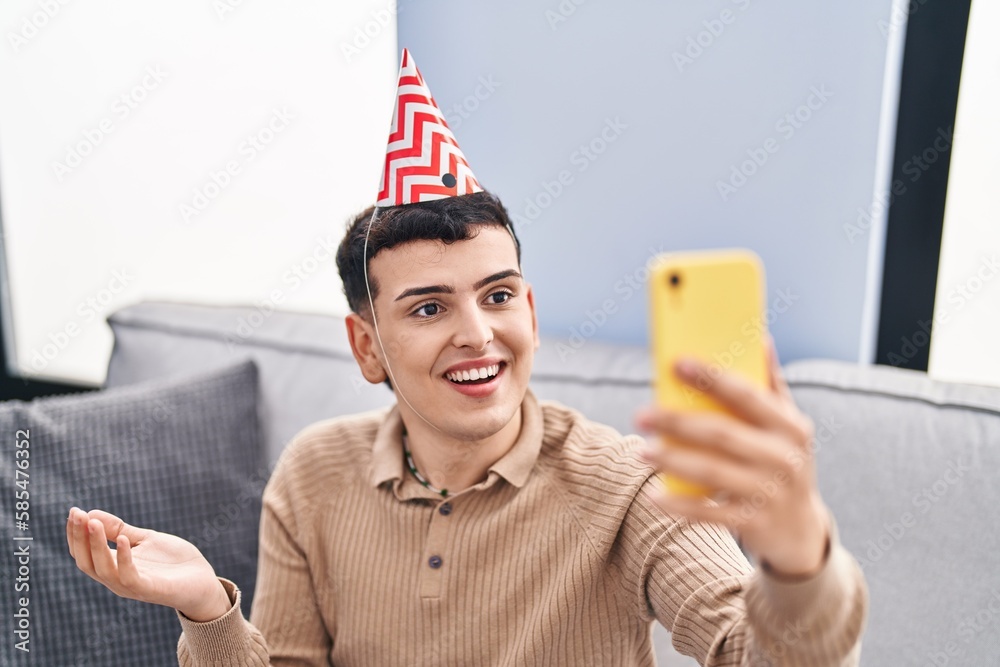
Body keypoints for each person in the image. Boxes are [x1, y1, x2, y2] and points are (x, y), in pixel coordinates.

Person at [66, 50, 868, 666]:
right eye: (428, 307)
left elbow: (747, 651)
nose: (479, 334)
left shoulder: (628, 486)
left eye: (498, 295)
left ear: (531, 312)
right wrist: (210, 610)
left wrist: (799, 554)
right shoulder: (312, 477)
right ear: (367, 347)